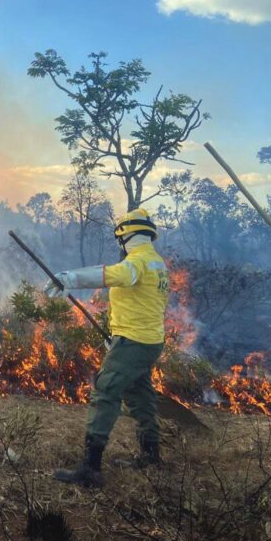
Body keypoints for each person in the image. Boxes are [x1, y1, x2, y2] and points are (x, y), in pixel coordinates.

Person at [44, 208, 169, 488]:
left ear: (126, 237)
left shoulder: (137, 263)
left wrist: (69, 278)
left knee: (106, 390)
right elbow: (145, 305)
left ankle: (90, 469)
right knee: (140, 394)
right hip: (145, 340)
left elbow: (112, 275)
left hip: (136, 341)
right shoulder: (157, 263)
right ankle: (151, 455)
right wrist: (118, 335)